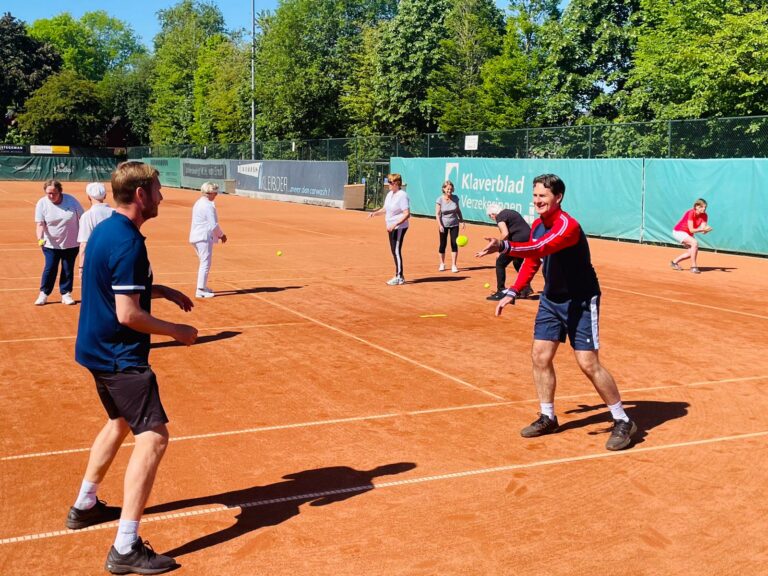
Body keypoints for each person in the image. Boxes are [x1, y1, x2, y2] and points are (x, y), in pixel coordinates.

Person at [69, 161, 198, 574]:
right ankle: (125, 547)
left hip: (94, 349)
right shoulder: (129, 242)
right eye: (158, 189)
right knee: (154, 439)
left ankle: (85, 504)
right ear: (140, 195)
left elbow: (105, 280)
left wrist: (159, 290)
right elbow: (127, 313)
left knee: (119, 423)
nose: (161, 196)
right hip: (120, 357)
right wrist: (175, 330)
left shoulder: (106, 227)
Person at [476, 174, 636, 451]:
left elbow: (542, 247)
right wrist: (514, 290)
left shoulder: (567, 226)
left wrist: (504, 245)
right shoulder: (538, 224)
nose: (537, 201)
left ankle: (623, 420)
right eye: (535, 195)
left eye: (543, 196)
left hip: (581, 300)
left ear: (558, 198)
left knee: (588, 363)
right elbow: (534, 259)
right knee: (540, 355)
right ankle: (548, 416)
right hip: (551, 299)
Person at [34, 179, 84, 305]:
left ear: (60, 191)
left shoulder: (71, 200)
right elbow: (40, 224)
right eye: (48, 193)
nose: (51, 196)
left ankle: (66, 293)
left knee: (68, 269)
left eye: (54, 193)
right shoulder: (42, 203)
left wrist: (84, 235)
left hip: (71, 243)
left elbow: (82, 217)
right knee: (50, 268)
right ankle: (44, 293)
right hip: (50, 244)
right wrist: (40, 238)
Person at [368, 173, 410, 285]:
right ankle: (399, 275)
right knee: (393, 250)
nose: (388, 184)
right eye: (388, 182)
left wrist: (395, 224)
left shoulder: (402, 195)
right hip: (391, 227)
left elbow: (406, 214)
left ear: (396, 183)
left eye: (390, 182)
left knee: (396, 250)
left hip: (399, 227)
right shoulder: (390, 194)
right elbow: (385, 209)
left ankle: (399, 277)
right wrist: (375, 213)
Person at [485, 203, 533, 301]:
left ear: (492, 214)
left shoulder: (500, 216)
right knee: (517, 262)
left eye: (491, 217)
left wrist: (500, 248)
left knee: (500, 263)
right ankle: (526, 288)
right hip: (528, 240)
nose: (493, 219)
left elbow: (505, 233)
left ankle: (500, 291)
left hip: (518, 241)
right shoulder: (510, 212)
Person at [189, 181, 227, 298]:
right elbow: (213, 225)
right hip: (203, 237)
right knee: (205, 263)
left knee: (204, 263)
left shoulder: (199, 202)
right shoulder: (208, 206)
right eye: (215, 192)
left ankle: (203, 287)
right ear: (208, 193)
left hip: (196, 237)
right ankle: (200, 290)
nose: (216, 194)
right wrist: (221, 235)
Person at [77, 182, 115, 274]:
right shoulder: (116, 212)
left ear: (89, 197)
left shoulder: (87, 216)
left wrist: (81, 266)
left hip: (96, 261)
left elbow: (84, 245)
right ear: (105, 195)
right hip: (115, 259)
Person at [670, 198, 712, 274]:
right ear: (696, 206)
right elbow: (692, 230)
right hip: (679, 232)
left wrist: (706, 230)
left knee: (692, 252)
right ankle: (693, 267)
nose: (704, 209)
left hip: (688, 234)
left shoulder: (705, 216)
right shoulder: (690, 213)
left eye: (705, 207)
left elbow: (703, 230)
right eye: (701, 207)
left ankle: (674, 262)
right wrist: (702, 230)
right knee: (694, 243)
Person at [435, 180, 465, 272]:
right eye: (448, 189)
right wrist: (440, 225)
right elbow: (437, 214)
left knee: (454, 243)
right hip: (443, 224)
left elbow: (458, 210)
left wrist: (462, 221)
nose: (449, 191)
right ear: (443, 189)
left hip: (454, 224)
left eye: (451, 189)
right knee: (443, 244)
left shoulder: (455, 198)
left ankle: (454, 265)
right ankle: (442, 264)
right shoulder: (439, 199)